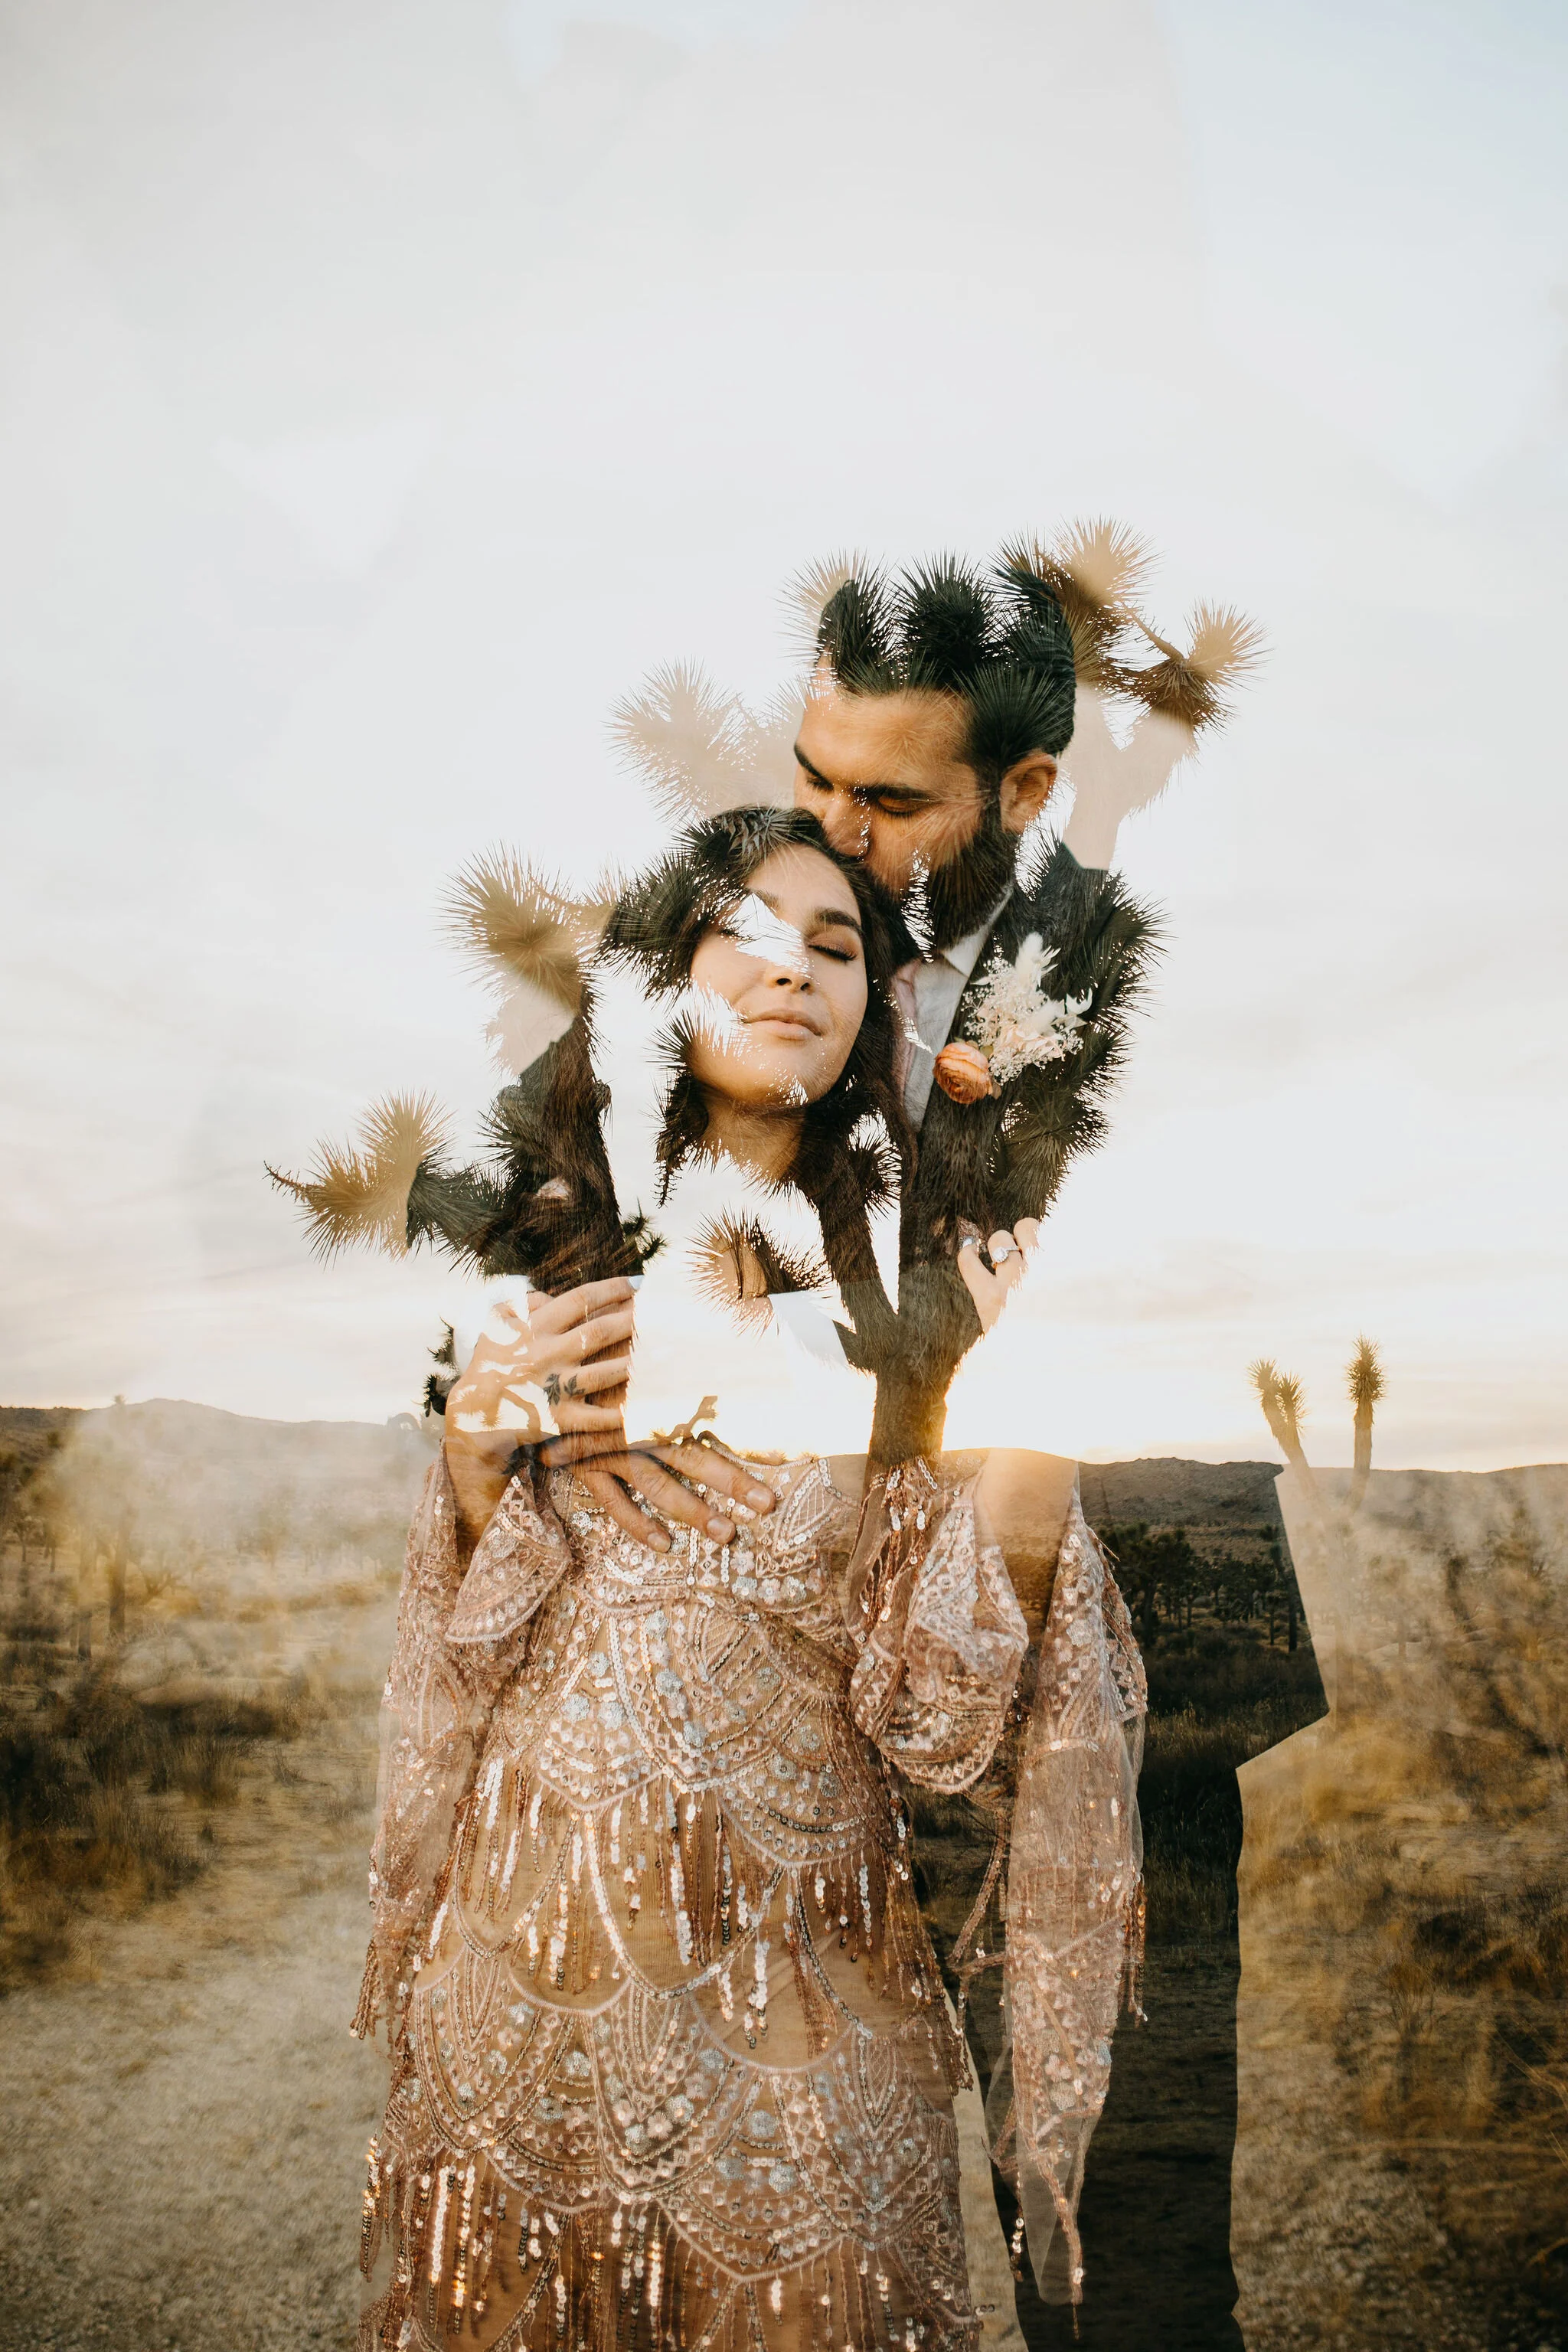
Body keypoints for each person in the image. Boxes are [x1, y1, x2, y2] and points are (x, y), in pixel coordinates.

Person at [351, 811, 1060, 2352]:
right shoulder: (562, 1246)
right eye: (747, 929)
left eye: (837, 946)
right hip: (530, 1969)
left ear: (879, 1004)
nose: (793, 970)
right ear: (665, 976)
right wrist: (478, 1456)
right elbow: (466, 1626)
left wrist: (964, 1403)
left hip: (809, 1980)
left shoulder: (911, 1276)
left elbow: (931, 1717)